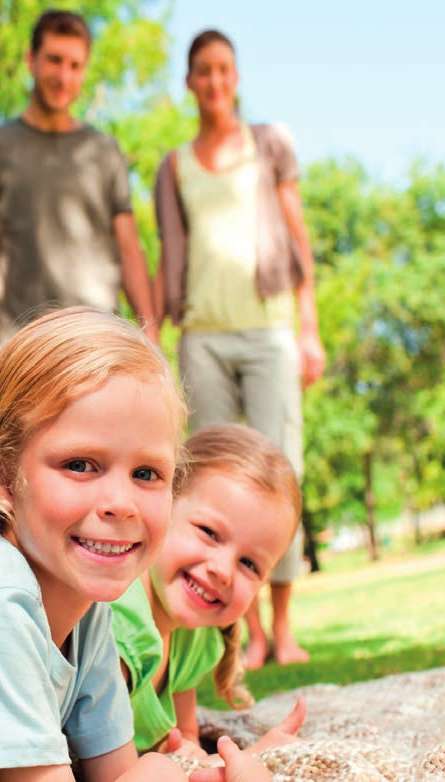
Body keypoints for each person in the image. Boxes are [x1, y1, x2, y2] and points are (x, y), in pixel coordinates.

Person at [0, 307, 284, 781]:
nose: (121, 503)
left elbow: (114, 771)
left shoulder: (89, 611)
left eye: (146, 473)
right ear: (2, 474)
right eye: (80, 465)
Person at [153, 29, 326, 669]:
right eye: (203, 71)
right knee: (214, 484)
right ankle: (244, 638)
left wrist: (309, 325)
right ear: (191, 82)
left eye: (224, 69)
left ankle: (282, 630)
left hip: (269, 327)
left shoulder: (269, 143)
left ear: (236, 76)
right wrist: (153, 332)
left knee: (283, 470)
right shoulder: (173, 166)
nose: (215, 81)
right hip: (201, 334)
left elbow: (297, 230)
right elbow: (171, 251)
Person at [0, 10, 158, 343]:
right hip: (23, 345)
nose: (64, 76)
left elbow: (129, 250)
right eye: (54, 60)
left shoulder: (105, 151)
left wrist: (149, 331)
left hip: (99, 342)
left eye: (75, 66)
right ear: (30, 60)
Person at [111, 424, 306, 758]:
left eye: (249, 564)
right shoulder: (118, 624)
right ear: (163, 504)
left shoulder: (194, 640)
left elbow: (183, 741)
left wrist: (199, 758)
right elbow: (110, 768)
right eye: (209, 533)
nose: (222, 570)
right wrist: (248, 757)